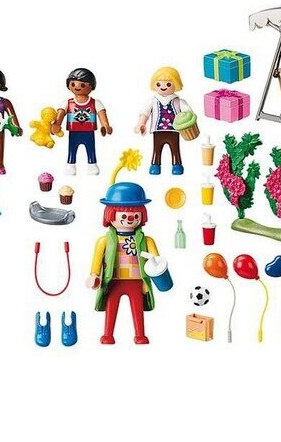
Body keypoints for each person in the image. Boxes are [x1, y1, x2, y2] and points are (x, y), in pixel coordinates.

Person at [87, 182, 169, 345]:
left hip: (137, 281)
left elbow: (157, 261)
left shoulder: (147, 241)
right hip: (113, 280)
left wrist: (157, 271)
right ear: (110, 214)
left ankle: (140, 335)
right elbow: (96, 262)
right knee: (111, 308)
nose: (130, 219)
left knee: (138, 309)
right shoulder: (104, 241)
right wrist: (94, 276)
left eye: (135, 215)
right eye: (123, 216)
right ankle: (108, 335)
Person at [51, 68, 112, 176]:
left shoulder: (95, 102)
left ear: (91, 86)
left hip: (89, 132)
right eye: (73, 84)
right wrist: (57, 124)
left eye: (82, 85)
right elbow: (60, 113)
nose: (77, 86)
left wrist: (105, 125)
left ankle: (92, 164)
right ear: (69, 85)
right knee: (72, 149)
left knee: (91, 148)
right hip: (74, 132)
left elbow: (101, 113)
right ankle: (71, 164)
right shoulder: (68, 102)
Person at [134, 66, 191, 175]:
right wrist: (141, 124)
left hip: (174, 130)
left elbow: (188, 112)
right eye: (159, 84)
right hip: (158, 130)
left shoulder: (178, 101)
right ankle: (155, 164)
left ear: (176, 84)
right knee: (156, 149)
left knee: (175, 149)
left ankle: (177, 165)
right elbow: (145, 113)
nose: (163, 87)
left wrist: (189, 118)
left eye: (168, 84)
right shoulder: (153, 101)